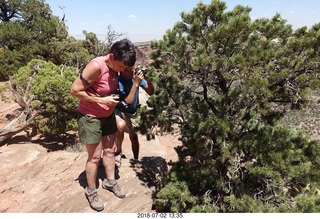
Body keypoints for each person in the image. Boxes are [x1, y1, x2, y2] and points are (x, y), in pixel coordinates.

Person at [70, 39, 136, 212]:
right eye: (121, 67)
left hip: (107, 115)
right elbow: (75, 90)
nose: (122, 71)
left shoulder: (116, 66)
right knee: (95, 156)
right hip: (90, 116)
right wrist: (102, 100)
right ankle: (91, 191)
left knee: (110, 151)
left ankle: (110, 182)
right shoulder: (96, 66)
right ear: (112, 56)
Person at [114, 66, 154, 168]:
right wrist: (136, 83)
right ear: (122, 70)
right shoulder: (117, 80)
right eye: (128, 71)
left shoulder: (135, 78)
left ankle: (135, 159)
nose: (131, 73)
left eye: (132, 71)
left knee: (133, 136)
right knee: (120, 127)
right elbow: (128, 102)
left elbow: (150, 92)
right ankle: (118, 151)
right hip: (120, 109)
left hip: (132, 111)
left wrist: (148, 80)